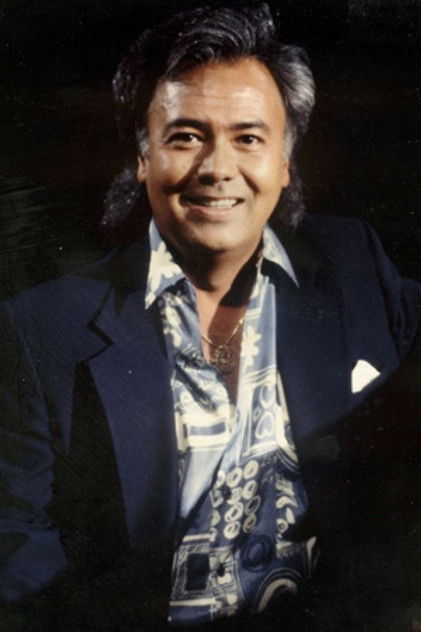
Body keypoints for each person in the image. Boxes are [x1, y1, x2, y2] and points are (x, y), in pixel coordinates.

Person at [0, 4, 419, 631]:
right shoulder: (40, 329)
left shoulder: (352, 263)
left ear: (284, 162)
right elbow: (19, 549)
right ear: (143, 158)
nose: (218, 168)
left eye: (248, 138)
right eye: (186, 137)